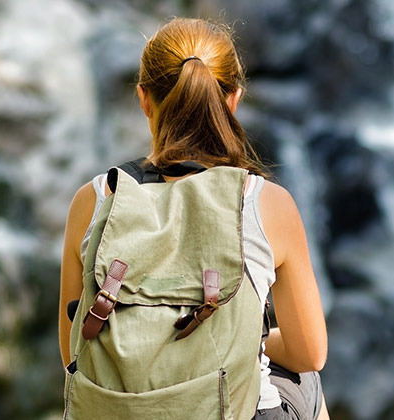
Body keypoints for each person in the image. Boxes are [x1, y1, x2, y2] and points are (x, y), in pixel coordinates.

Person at [58, 17, 329, 420]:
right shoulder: (266, 202)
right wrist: (247, 336)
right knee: (306, 380)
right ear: (234, 98)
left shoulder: (95, 199)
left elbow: (71, 350)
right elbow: (310, 352)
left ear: (144, 98)